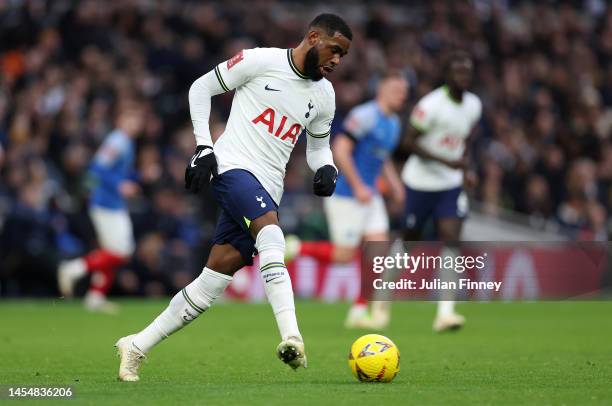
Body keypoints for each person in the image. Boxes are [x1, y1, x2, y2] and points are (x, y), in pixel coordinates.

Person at [114, 14, 352, 382]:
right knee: (273, 236)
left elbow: (318, 148)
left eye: (343, 55)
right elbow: (200, 88)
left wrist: (327, 167)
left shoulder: (324, 95)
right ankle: (292, 336)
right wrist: (204, 147)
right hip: (233, 168)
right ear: (313, 36)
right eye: (334, 50)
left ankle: (137, 345)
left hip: (269, 188)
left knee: (213, 280)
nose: (337, 60)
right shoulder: (259, 61)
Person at [285, 72, 407, 329]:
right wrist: (359, 185)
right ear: (382, 90)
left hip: (370, 197)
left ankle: (360, 309)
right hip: (347, 196)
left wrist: (395, 186)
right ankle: (297, 249)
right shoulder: (365, 116)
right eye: (396, 90)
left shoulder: (394, 123)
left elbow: (381, 158)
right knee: (343, 256)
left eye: (404, 92)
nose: (401, 96)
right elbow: (340, 149)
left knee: (377, 251)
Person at [400, 50, 482, 332]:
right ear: (447, 75)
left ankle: (445, 313)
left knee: (451, 237)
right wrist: (447, 161)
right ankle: (382, 299)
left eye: (467, 71)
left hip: (450, 184)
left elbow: (466, 139)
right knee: (409, 241)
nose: (463, 76)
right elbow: (408, 142)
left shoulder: (473, 105)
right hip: (420, 182)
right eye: (458, 71)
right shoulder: (431, 105)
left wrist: (465, 169)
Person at [57, 102, 144, 313]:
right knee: (122, 252)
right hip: (106, 204)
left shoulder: (127, 142)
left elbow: (117, 172)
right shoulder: (117, 141)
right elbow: (96, 168)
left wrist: (138, 178)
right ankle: (74, 268)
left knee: (110, 252)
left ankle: (95, 297)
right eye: (129, 119)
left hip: (113, 203)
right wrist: (119, 185)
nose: (134, 124)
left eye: (137, 120)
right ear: (119, 120)